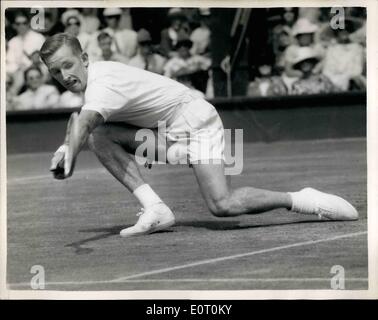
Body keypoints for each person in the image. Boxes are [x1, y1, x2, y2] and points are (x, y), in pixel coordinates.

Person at [40, 33, 358, 238]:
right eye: (56, 72)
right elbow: (88, 124)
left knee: (223, 205)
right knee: (101, 136)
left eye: (68, 65)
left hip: (195, 122)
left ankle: (305, 199)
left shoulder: (102, 83)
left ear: (84, 59)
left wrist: (70, 151)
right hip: (167, 132)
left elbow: (86, 122)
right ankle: (157, 209)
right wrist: (68, 146)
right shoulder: (95, 84)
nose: (64, 77)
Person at [6, 11, 45, 94]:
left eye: (24, 23)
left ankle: (11, 96)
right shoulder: (12, 42)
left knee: (21, 77)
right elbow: (9, 63)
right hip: (18, 71)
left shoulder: (38, 38)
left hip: (37, 68)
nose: (21, 26)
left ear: (28, 24)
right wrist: (17, 68)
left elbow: (45, 58)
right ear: (14, 26)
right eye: (18, 24)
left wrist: (29, 65)